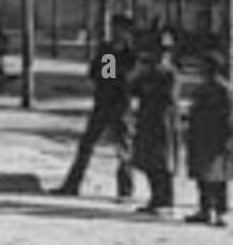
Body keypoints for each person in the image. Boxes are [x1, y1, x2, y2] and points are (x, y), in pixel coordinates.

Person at [54, 14, 135, 199]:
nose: (116, 32)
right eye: (114, 28)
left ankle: (125, 189)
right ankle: (72, 185)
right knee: (86, 145)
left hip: (120, 105)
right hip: (103, 102)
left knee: (123, 149)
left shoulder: (129, 53)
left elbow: (124, 79)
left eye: (120, 29)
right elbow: (99, 74)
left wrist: (112, 71)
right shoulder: (107, 49)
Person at [129, 29, 181, 214]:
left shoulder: (168, 72)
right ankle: (154, 196)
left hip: (159, 119)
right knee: (142, 156)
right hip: (118, 105)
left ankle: (125, 188)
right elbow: (107, 78)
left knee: (158, 159)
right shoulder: (111, 51)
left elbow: (168, 96)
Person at [185, 51, 233, 227]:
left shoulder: (224, 89)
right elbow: (194, 110)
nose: (201, 71)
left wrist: (228, 139)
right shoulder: (202, 88)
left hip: (215, 139)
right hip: (201, 137)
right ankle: (205, 209)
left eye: (204, 67)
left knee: (218, 177)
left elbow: (231, 116)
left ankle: (220, 211)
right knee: (202, 175)